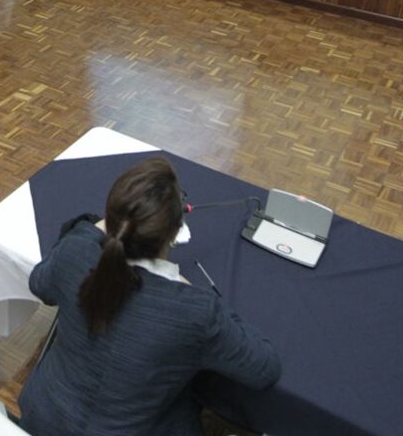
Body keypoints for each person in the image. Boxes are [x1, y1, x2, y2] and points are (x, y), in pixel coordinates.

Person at [17, 158, 281, 436]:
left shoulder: (75, 254)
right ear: (174, 231)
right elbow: (263, 368)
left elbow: (39, 283)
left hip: (43, 419)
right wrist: (186, 287)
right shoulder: (193, 311)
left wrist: (100, 226)